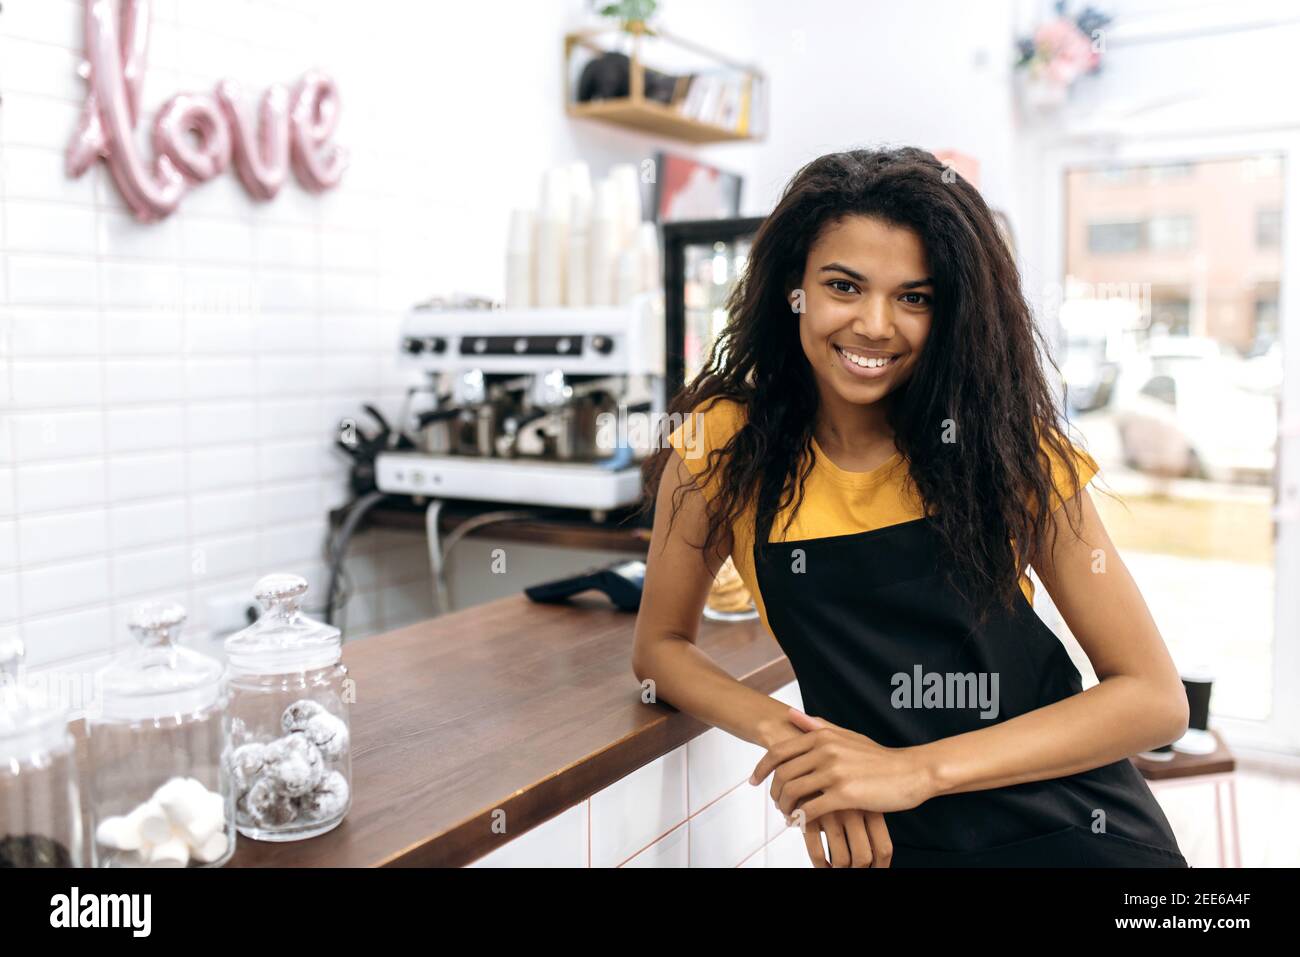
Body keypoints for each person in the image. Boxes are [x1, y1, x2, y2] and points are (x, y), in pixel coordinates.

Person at [631, 147, 1190, 868]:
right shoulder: (721, 443)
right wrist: (814, 751)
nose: (874, 323)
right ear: (792, 289)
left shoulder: (1006, 449)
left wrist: (911, 770)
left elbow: (1154, 698)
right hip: (890, 845)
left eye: (914, 297)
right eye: (843, 285)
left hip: (1076, 832)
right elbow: (659, 648)